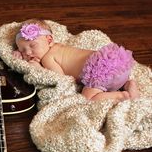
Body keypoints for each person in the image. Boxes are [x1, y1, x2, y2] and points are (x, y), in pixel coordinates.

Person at [12, 19, 140, 102]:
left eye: (33, 46)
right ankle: (128, 84)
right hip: (118, 63)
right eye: (23, 50)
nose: (28, 53)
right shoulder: (59, 47)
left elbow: (59, 78)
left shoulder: (48, 58)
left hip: (99, 71)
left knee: (87, 98)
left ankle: (122, 96)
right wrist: (21, 54)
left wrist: (37, 66)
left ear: (49, 40)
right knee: (114, 81)